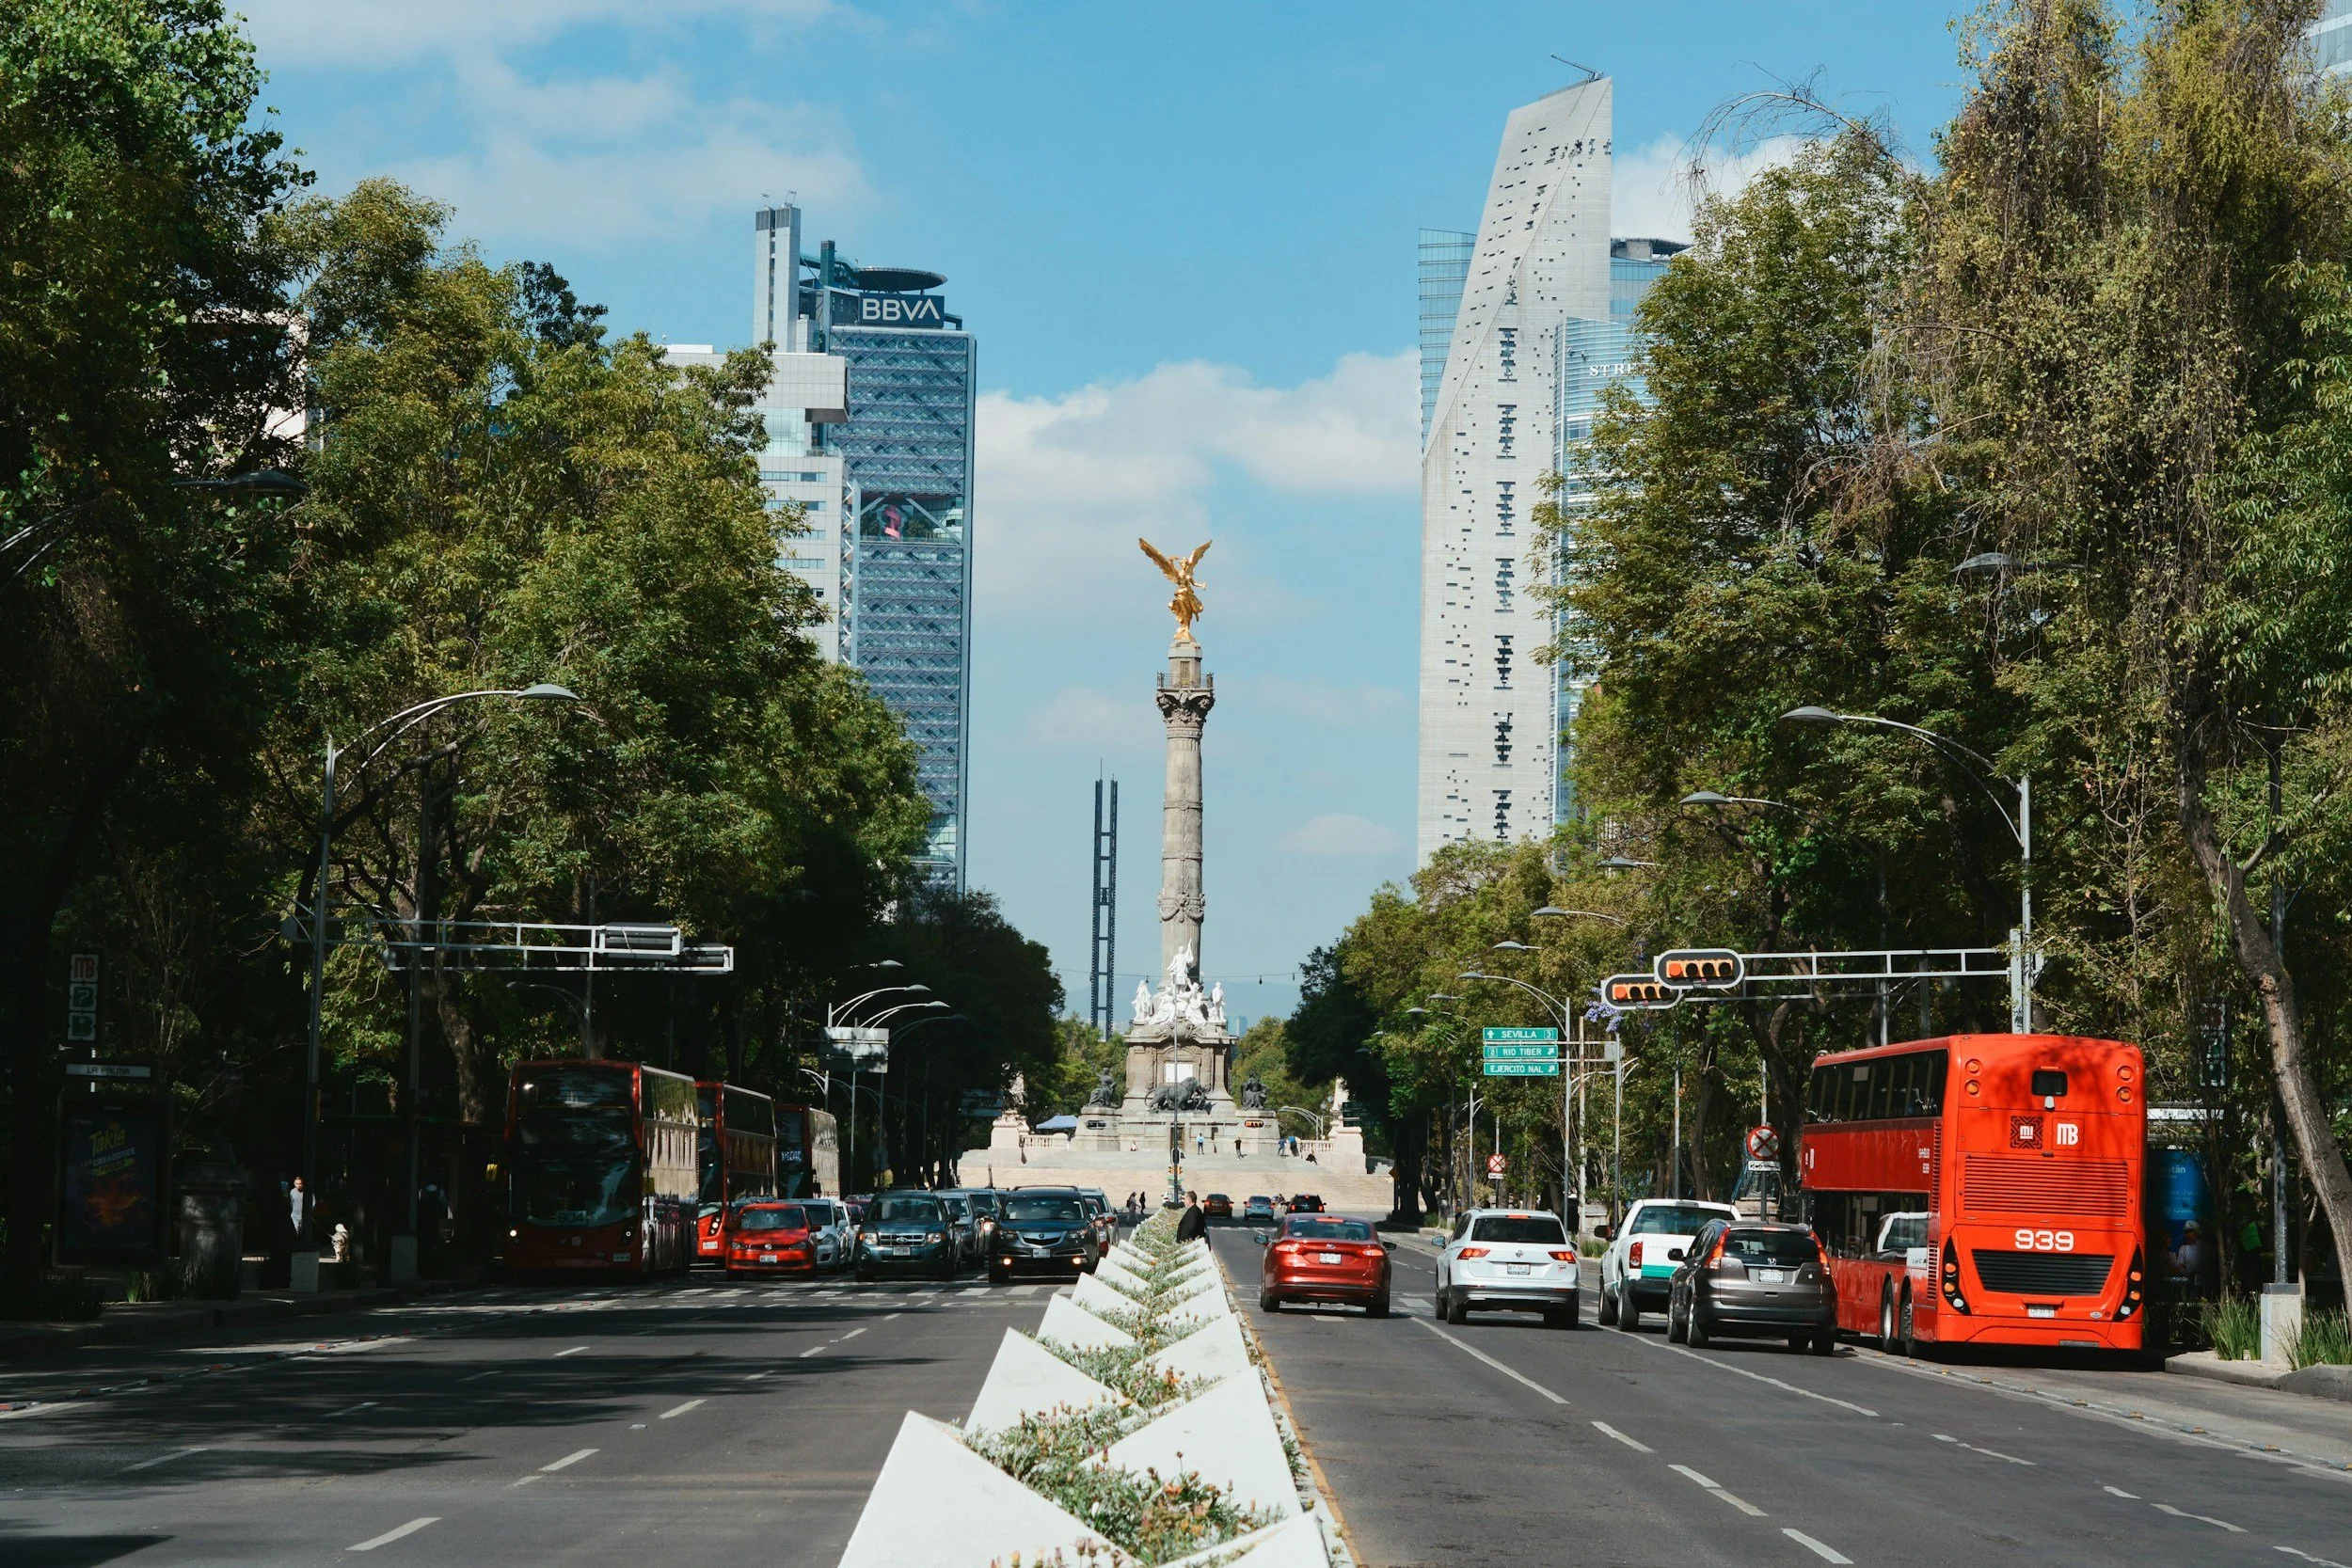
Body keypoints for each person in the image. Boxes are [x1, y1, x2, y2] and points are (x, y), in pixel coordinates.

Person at [289, 1176, 314, 1249]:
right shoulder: (292, 1192)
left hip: (305, 1216)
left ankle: (304, 1247)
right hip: (295, 1215)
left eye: (300, 1184)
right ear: (294, 1183)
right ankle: (295, 1248)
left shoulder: (308, 1192)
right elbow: (291, 1203)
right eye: (297, 1184)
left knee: (305, 1233)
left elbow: (313, 1203)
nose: (298, 1185)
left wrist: (309, 1212)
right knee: (295, 1232)